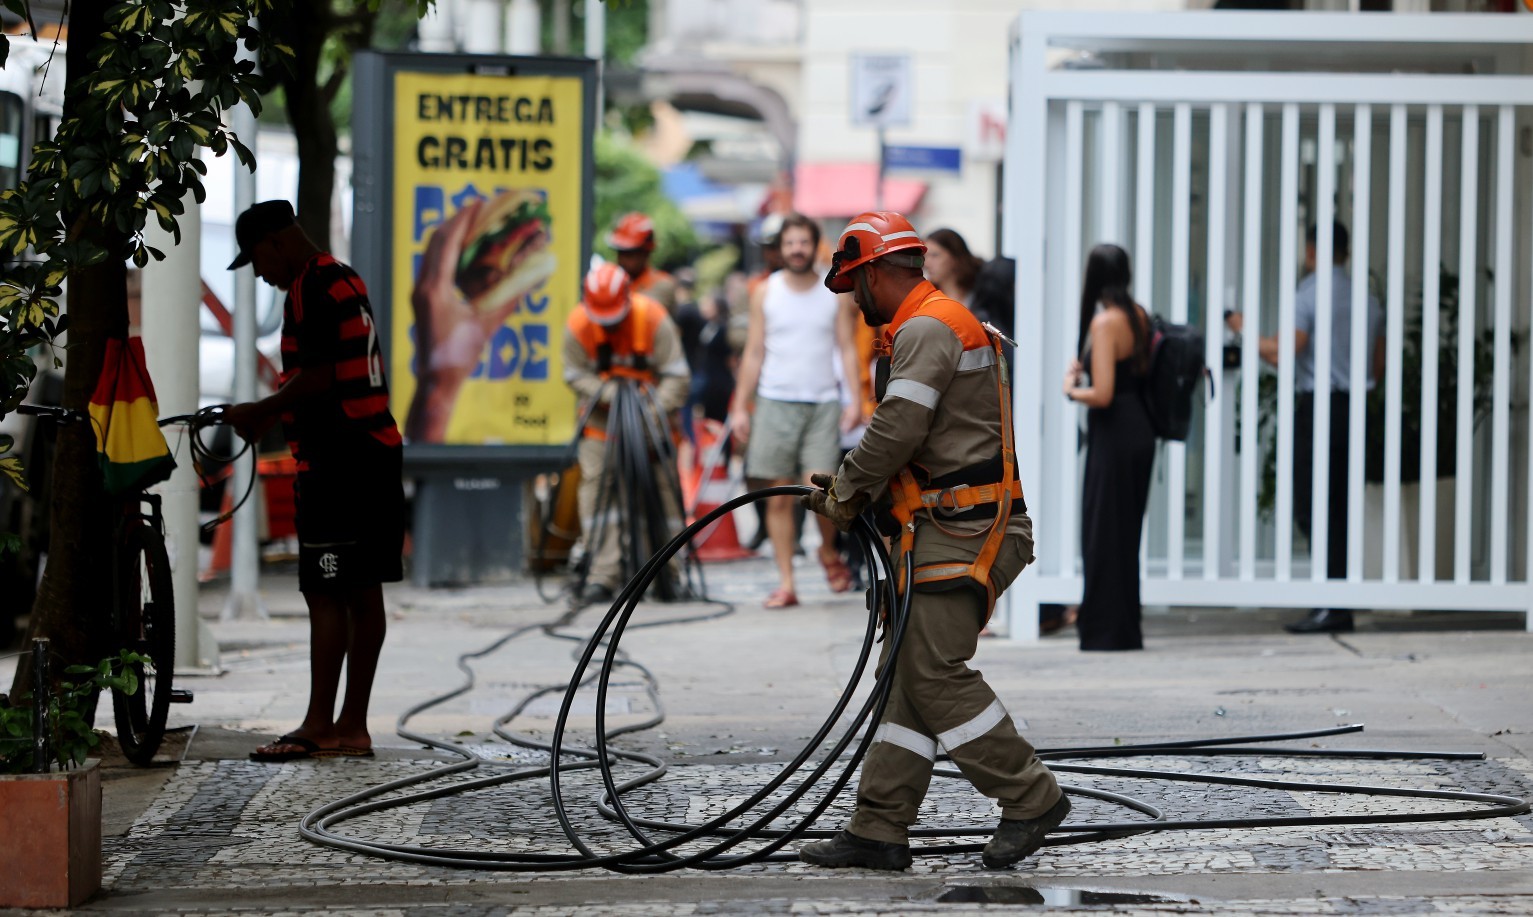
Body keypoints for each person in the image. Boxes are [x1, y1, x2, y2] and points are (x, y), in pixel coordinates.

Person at [798, 211, 1069, 871]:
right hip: (940, 527)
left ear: (873, 272)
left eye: (853, 283)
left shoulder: (926, 327)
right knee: (905, 680)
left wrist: (846, 491)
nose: (851, 298)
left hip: (963, 530)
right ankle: (879, 827)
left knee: (930, 671)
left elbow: (897, 429)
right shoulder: (926, 324)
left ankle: (1030, 795)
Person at [223, 201, 405, 762]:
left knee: (325, 592)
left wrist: (262, 410)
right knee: (363, 590)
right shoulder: (344, 277)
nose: (259, 273)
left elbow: (320, 376)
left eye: (255, 260)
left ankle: (319, 724)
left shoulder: (308, 286)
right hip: (376, 450)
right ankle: (352, 725)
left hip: (339, 460)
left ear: (276, 243)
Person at [1227, 221, 1384, 634]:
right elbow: (1379, 366)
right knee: (1340, 506)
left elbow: (1284, 352)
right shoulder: (1368, 300)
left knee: (1310, 505)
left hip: (1320, 407)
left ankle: (1330, 602)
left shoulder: (1310, 294)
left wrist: (1241, 329)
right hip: (1357, 408)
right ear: (1346, 253)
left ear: (1312, 251)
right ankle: (1338, 601)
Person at [730, 213, 864, 608]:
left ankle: (826, 550)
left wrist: (854, 398)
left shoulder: (833, 291)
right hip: (774, 401)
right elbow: (753, 353)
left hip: (822, 403)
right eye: (790, 243)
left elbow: (845, 348)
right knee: (777, 498)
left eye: (803, 242)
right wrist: (740, 406)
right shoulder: (765, 292)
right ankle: (787, 582)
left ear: (814, 244)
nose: (797, 250)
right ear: (780, 248)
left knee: (820, 493)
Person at [564, 262, 691, 605]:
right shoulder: (578, 325)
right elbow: (574, 375)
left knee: (663, 496)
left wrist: (647, 415)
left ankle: (670, 573)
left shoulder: (653, 318)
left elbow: (677, 376)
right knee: (599, 496)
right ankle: (603, 575)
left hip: (651, 421)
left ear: (628, 297)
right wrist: (611, 395)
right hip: (601, 426)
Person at [1063, 244, 1157, 652]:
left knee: (1103, 532)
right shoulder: (1139, 315)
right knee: (1124, 534)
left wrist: (1070, 389)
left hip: (1114, 433)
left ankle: (1105, 632)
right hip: (1139, 430)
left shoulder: (1105, 322)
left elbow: (1101, 394)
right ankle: (1124, 628)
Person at [608, 212, 678, 313]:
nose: (622, 259)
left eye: (629, 253)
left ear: (645, 253)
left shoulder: (662, 285)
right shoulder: (612, 281)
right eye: (620, 252)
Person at [923, 227, 985, 308]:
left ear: (955, 256)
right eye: (925, 256)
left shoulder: (985, 294)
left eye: (935, 255)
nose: (926, 264)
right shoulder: (927, 299)